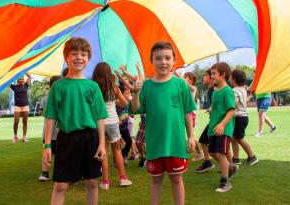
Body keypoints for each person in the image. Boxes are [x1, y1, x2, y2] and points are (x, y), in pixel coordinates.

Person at [42, 37, 107, 205]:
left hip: (90, 139)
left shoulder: (92, 87)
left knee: (92, 182)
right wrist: (48, 145)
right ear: (66, 57)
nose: (79, 57)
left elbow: (100, 117)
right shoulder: (59, 86)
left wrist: (101, 144)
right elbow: (51, 117)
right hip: (67, 139)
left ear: (88, 58)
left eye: (83, 54)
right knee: (61, 185)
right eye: (74, 53)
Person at [130, 42, 196, 205]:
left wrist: (192, 136)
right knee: (156, 181)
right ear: (151, 61)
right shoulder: (146, 86)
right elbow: (135, 109)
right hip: (154, 144)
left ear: (174, 60)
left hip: (176, 143)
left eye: (167, 58)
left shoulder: (180, 84)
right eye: (158, 58)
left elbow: (188, 112)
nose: (163, 62)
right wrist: (136, 92)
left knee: (176, 180)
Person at [92, 62, 132, 190]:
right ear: (109, 73)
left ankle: (105, 182)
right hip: (113, 123)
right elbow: (125, 103)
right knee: (117, 151)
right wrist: (114, 101)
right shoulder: (114, 88)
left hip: (99, 124)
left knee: (104, 152)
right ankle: (123, 179)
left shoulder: (93, 87)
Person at [208, 62, 238, 192]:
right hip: (213, 128)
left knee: (220, 154)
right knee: (212, 153)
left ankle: (225, 182)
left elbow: (231, 110)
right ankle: (230, 167)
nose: (211, 76)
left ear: (223, 75)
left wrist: (222, 124)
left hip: (223, 129)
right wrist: (211, 108)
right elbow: (218, 106)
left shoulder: (227, 91)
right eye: (211, 74)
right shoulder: (216, 92)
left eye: (214, 74)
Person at [230, 69, 259, 166]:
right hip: (243, 117)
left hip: (239, 117)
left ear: (233, 79)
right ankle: (235, 158)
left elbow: (234, 103)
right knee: (233, 138)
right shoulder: (243, 89)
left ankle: (252, 156)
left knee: (239, 138)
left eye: (230, 77)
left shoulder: (234, 91)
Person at [38, 74, 64, 182]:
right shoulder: (63, 96)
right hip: (59, 131)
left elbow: (40, 112)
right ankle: (59, 173)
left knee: (48, 151)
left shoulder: (45, 98)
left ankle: (45, 173)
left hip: (47, 132)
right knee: (60, 152)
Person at [196, 69, 215, 173]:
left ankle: (230, 165)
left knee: (217, 149)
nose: (204, 77)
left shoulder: (213, 90)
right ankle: (208, 162)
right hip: (213, 121)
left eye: (205, 75)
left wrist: (212, 108)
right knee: (204, 141)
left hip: (216, 123)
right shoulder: (210, 90)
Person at [10, 72, 31, 143]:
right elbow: (8, 81)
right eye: (20, 79)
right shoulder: (14, 87)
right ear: (17, 80)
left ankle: (24, 137)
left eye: (22, 79)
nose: (22, 80)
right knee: (16, 122)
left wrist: (24, 71)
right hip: (17, 106)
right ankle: (15, 137)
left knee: (25, 122)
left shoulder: (26, 85)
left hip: (25, 105)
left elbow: (29, 76)